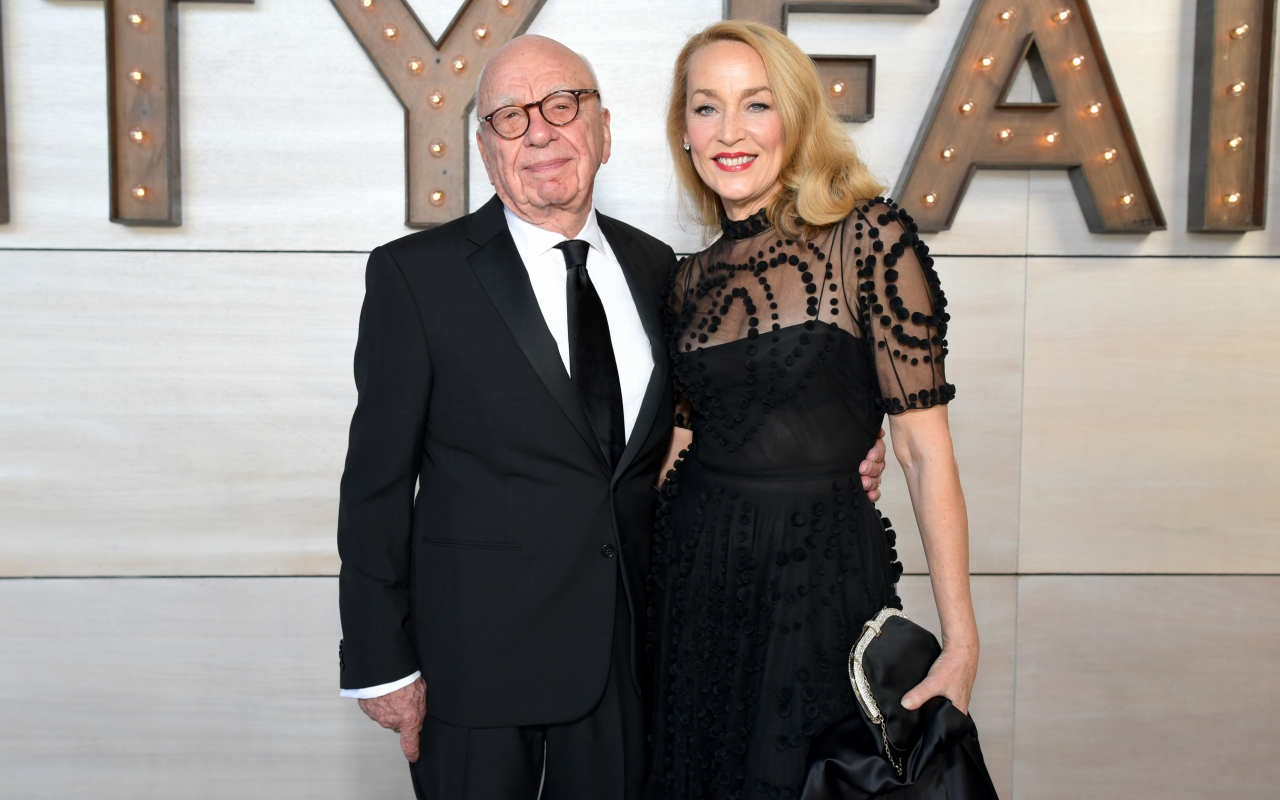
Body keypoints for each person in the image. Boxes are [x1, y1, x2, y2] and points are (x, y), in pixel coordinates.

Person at [335, 33, 890, 800]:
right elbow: (375, 486)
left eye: (562, 106)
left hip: (629, 660)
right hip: (473, 668)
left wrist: (837, 444)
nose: (539, 132)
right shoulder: (415, 277)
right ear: (485, 149)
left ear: (602, 130)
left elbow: (716, 422)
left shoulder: (663, 271)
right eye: (509, 117)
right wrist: (380, 662)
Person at [645, 20, 981, 799]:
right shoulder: (688, 281)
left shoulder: (868, 241)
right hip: (694, 585)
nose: (730, 131)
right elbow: (681, 446)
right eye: (706, 107)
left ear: (794, 121)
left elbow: (922, 450)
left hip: (817, 584)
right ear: (684, 132)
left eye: (756, 104)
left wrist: (961, 640)